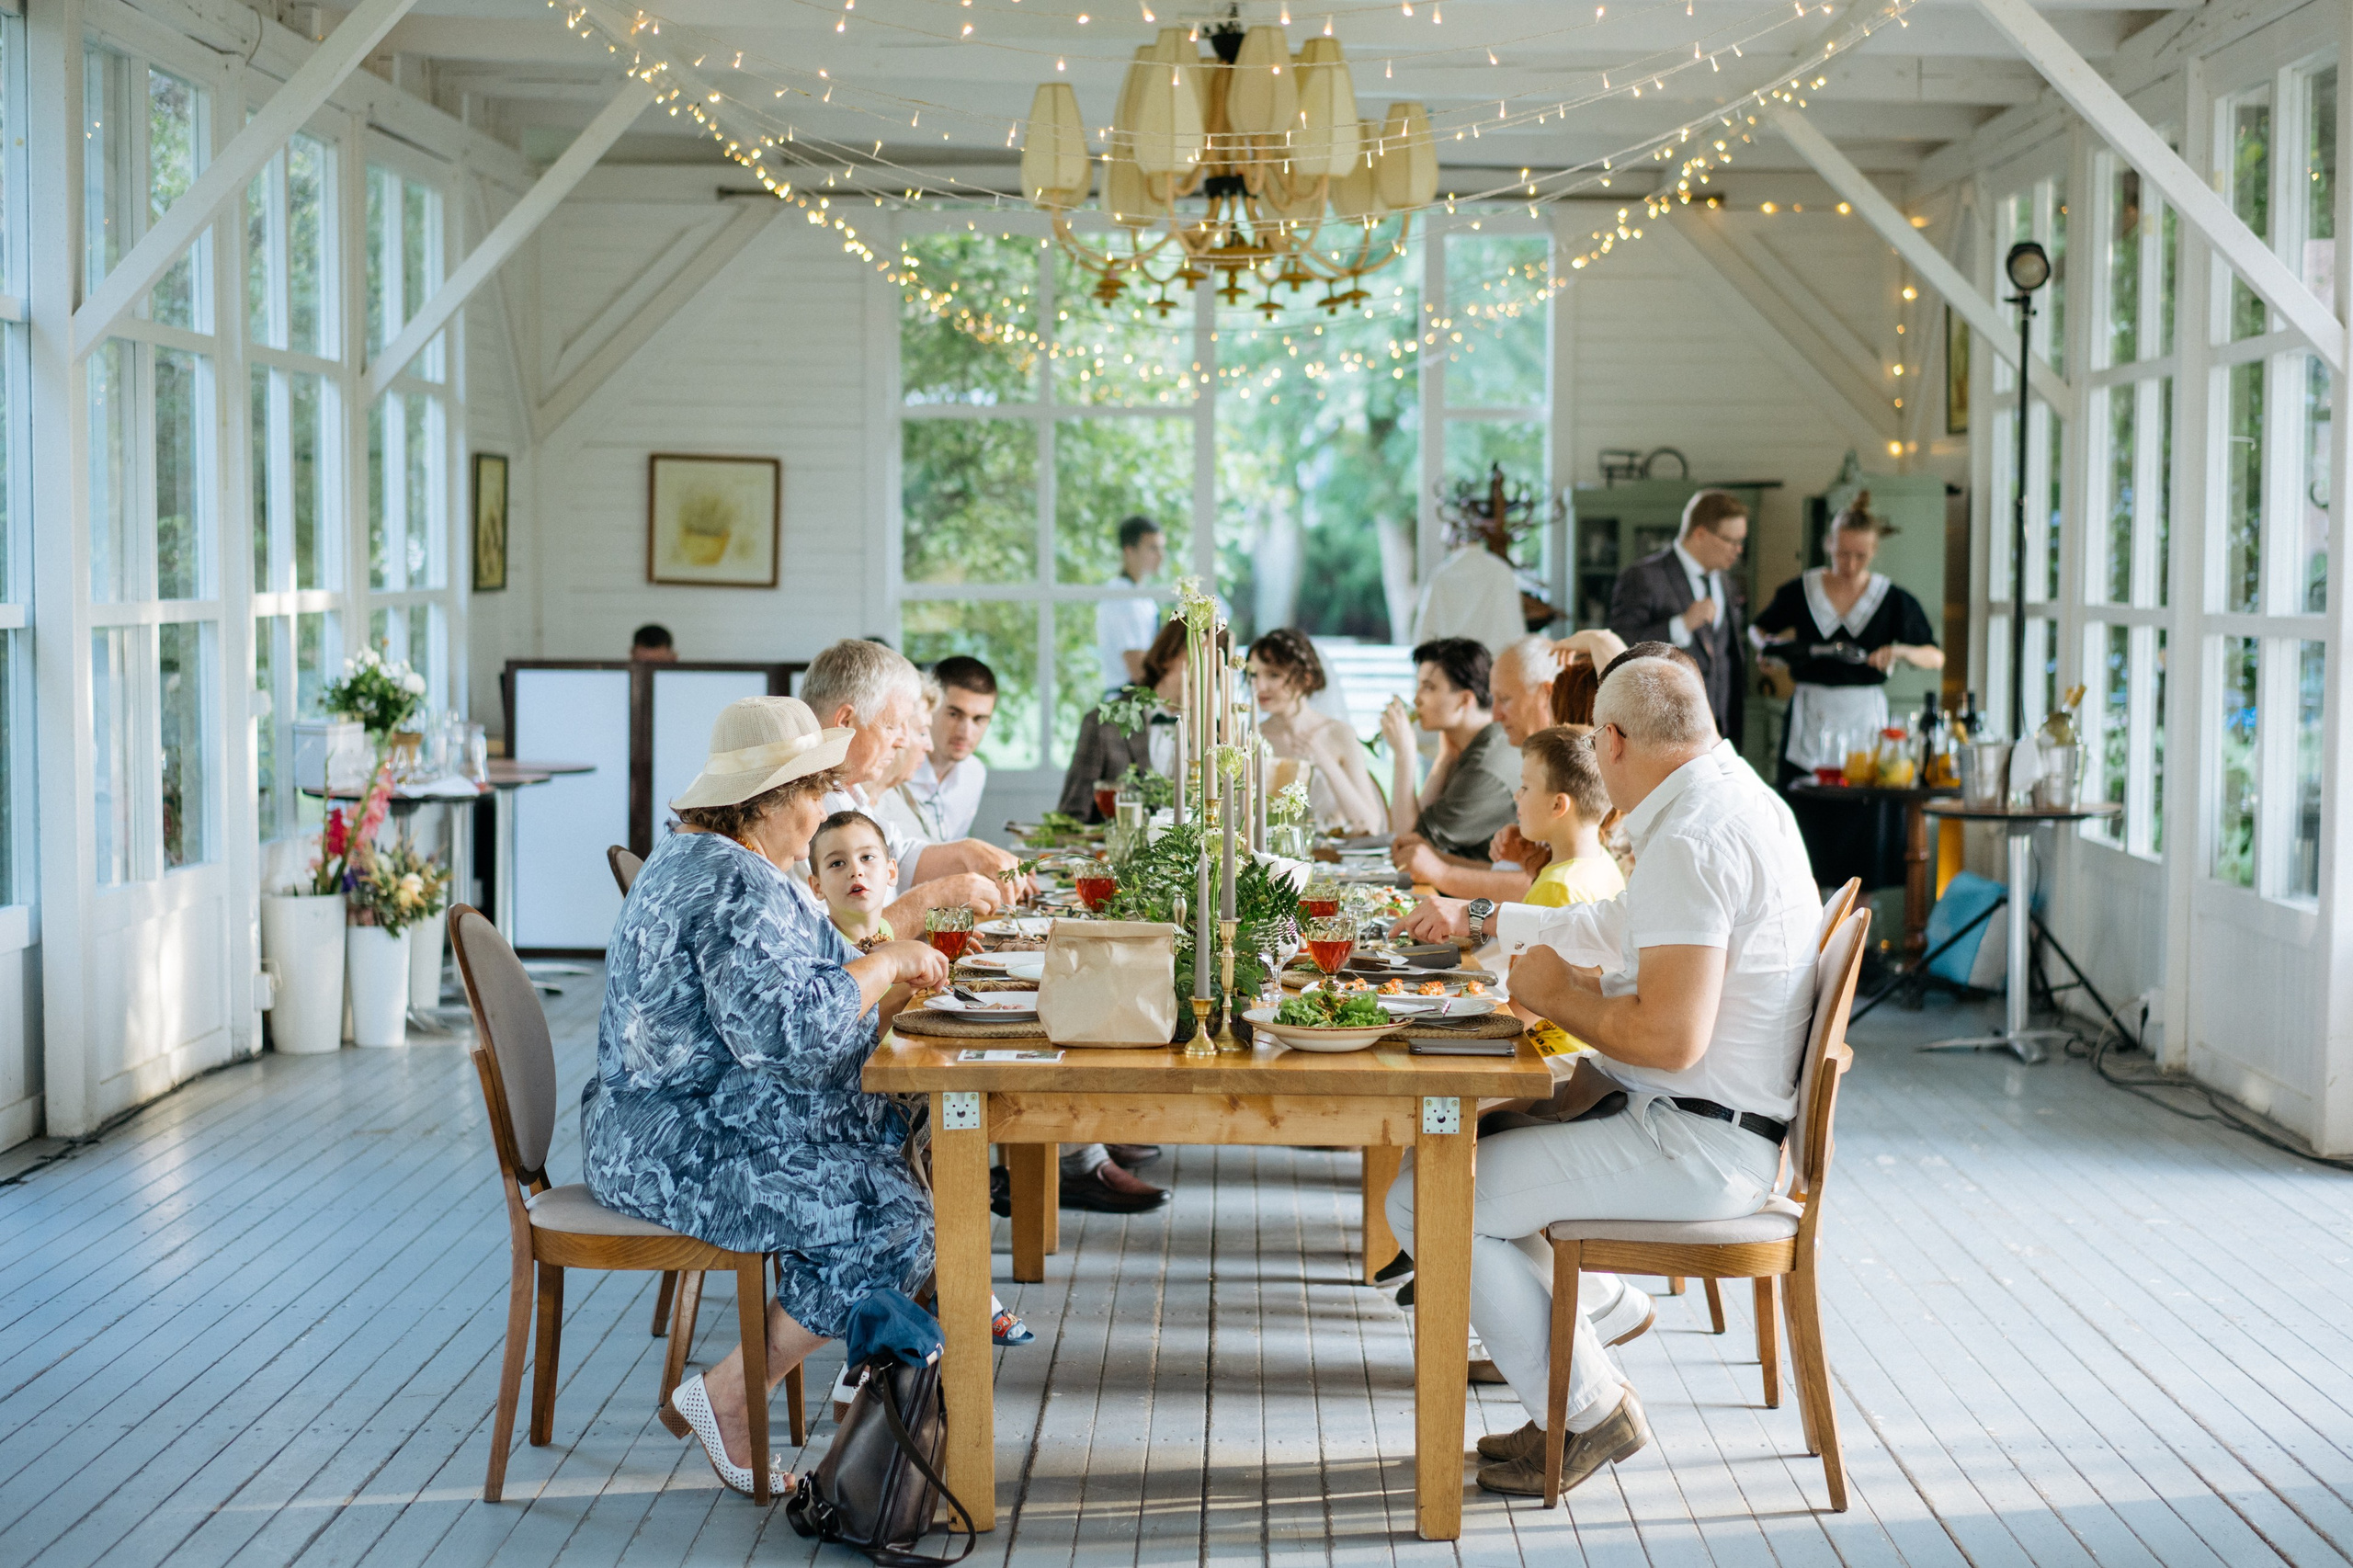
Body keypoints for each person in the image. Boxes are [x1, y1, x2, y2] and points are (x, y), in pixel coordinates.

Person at [1389, 656, 1818, 1498]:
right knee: (1465, 1159)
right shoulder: (1733, 799)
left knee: (1427, 1198)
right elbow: (1613, 923)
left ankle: (1588, 1410)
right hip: (1707, 1125)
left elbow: (1669, 1037)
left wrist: (1550, 994)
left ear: (1612, 741)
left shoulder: (1694, 839)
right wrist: (1483, 916)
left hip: (1697, 1144)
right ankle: (1569, 1394)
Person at [585, 696, 950, 1497]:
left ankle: (871, 1363)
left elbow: (806, 991)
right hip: (672, 1145)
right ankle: (730, 1396)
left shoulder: (721, 861)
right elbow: (784, 1034)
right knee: (896, 1217)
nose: (824, 809)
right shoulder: (729, 883)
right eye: (815, 791)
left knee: (902, 1138)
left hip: (697, 1114)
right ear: (766, 798)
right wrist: (884, 971)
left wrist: (877, 976)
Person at [805, 807, 1040, 1346]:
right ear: (816, 885)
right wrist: (902, 990)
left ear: (891, 871)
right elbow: (856, 1031)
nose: (855, 872)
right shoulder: (832, 947)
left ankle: (946, 1283)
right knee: (939, 1132)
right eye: (837, 864)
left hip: (889, 1089)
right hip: (844, 1100)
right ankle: (961, 1289)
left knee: (952, 1122)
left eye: (867, 859)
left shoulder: (885, 932)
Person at [799, 639, 1025, 927]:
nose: (904, 741)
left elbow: (900, 856)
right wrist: (936, 897)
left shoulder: (843, 788)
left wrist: (970, 852)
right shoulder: (800, 809)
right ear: (845, 721)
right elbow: (832, 942)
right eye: (893, 725)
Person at [1752, 496, 1943, 785]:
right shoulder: (1803, 590)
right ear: (1828, 544)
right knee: (1806, 799)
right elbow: (1759, 629)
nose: (1850, 564)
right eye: (1842, 553)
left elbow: (1935, 657)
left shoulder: (1891, 599)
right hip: (1810, 712)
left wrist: (1899, 651)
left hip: (1865, 714)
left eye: (1860, 556)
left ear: (1874, 551)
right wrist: (1767, 648)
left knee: (1863, 797)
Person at [1393, 636, 1560, 899]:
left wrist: (1440, 870)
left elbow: (1538, 885)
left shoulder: (1494, 764)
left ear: (1546, 695)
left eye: (1505, 699)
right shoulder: (1535, 755)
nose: (1494, 715)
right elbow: (1531, 875)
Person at [1608, 490, 1750, 744]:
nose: (1738, 550)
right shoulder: (1644, 577)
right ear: (1700, 534)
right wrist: (1681, 625)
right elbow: (1619, 648)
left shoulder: (1724, 581)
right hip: (1664, 734)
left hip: (1721, 735)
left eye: (1741, 542)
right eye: (1731, 540)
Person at [1381, 638, 1520, 881]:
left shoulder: (1485, 766)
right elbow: (1420, 822)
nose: (1416, 700)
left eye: (1429, 687)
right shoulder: (1471, 744)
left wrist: (1404, 754)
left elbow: (1408, 844)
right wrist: (1444, 760)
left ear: (1465, 700)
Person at [1247, 629, 1383, 835]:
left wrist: (1324, 761)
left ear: (1307, 678)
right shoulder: (1252, 738)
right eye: (1254, 675)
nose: (1259, 686)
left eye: (1273, 674)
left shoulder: (1339, 734)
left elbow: (1369, 824)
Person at [1060, 619, 1189, 823]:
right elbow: (1070, 819)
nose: (1207, 678)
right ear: (1168, 656)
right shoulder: (1104, 724)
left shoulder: (1215, 735)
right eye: (1198, 663)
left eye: (1215, 673)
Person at [907, 655, 996, 841]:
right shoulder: (895, 768)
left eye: (979, 719)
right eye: (954, 714)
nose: (966, 732)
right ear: (930, 707)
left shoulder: (974, 773)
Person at [1096, 516, 1167, 693]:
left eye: (1161, 548)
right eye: (1152, 548)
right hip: (1128, 701)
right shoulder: (1123, 597)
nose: (1160, 556)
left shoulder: (1141, 595)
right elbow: (1137, 667)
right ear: (1129, 551)